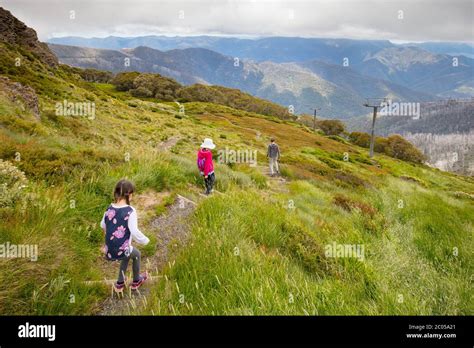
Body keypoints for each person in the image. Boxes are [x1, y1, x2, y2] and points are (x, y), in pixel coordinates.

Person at [100, 179, 150, 294]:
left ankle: (120, 283)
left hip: (109, 250)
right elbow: (135, 231)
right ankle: (137, 281)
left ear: (116, 193)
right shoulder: (130, 211)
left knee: (127, 254)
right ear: (130, 195)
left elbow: (103, 225)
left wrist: (107, 243)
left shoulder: (109, 208)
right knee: (136, 254)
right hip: (122, 249)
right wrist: (146, 241)